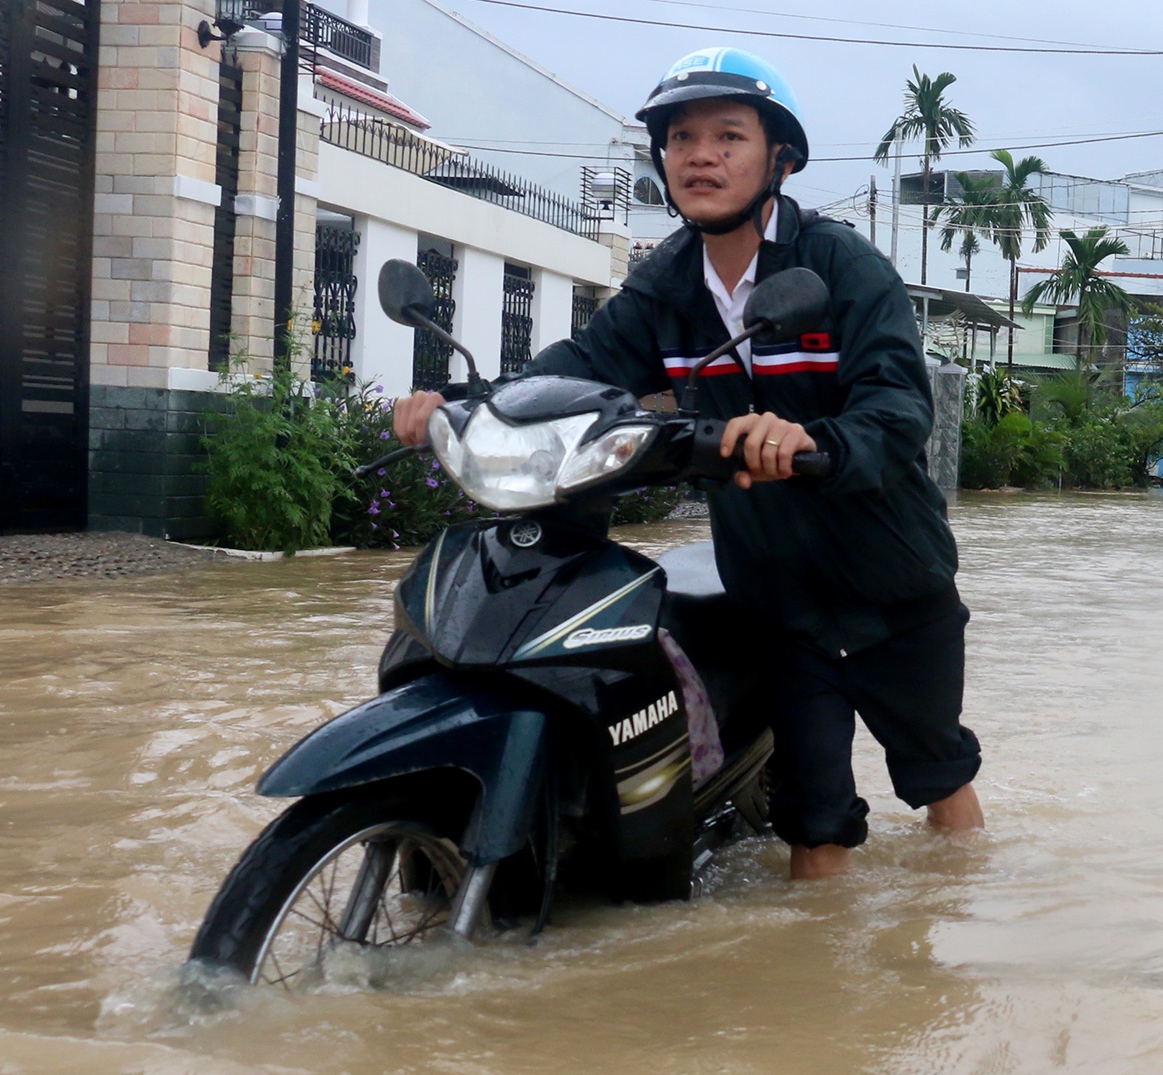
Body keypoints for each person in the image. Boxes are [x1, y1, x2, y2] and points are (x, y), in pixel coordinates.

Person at [390, 47, 983, 879]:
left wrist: (811, 440)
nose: (701, 155)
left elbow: (898, 406)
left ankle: (963, 918)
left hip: (892, 581)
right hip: (779, 597)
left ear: (779, 157)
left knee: (937, 777)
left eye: (727, 136)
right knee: (814, 824)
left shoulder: (842, 268)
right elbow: (577, 365)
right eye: (681, 138)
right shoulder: (664, 283)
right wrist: (459, 403)